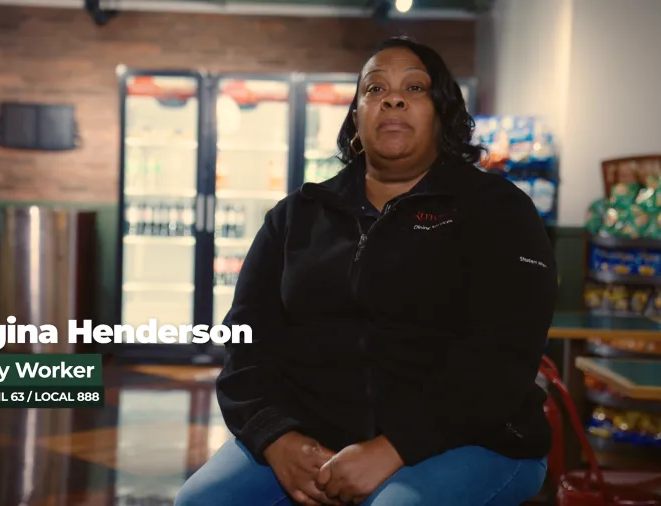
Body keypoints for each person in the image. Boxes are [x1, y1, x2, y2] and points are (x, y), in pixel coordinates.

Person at [175, 36, 557, 506]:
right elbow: (246, 342)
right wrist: (276, 437)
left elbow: (502, 357)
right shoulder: (296, 216)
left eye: (415, 89)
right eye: (374, 89)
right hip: (311, 439)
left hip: (473, 440)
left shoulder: (498, 211)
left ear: (443, 114)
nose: (393, 98)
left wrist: (394, 448)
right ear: (356, 116)